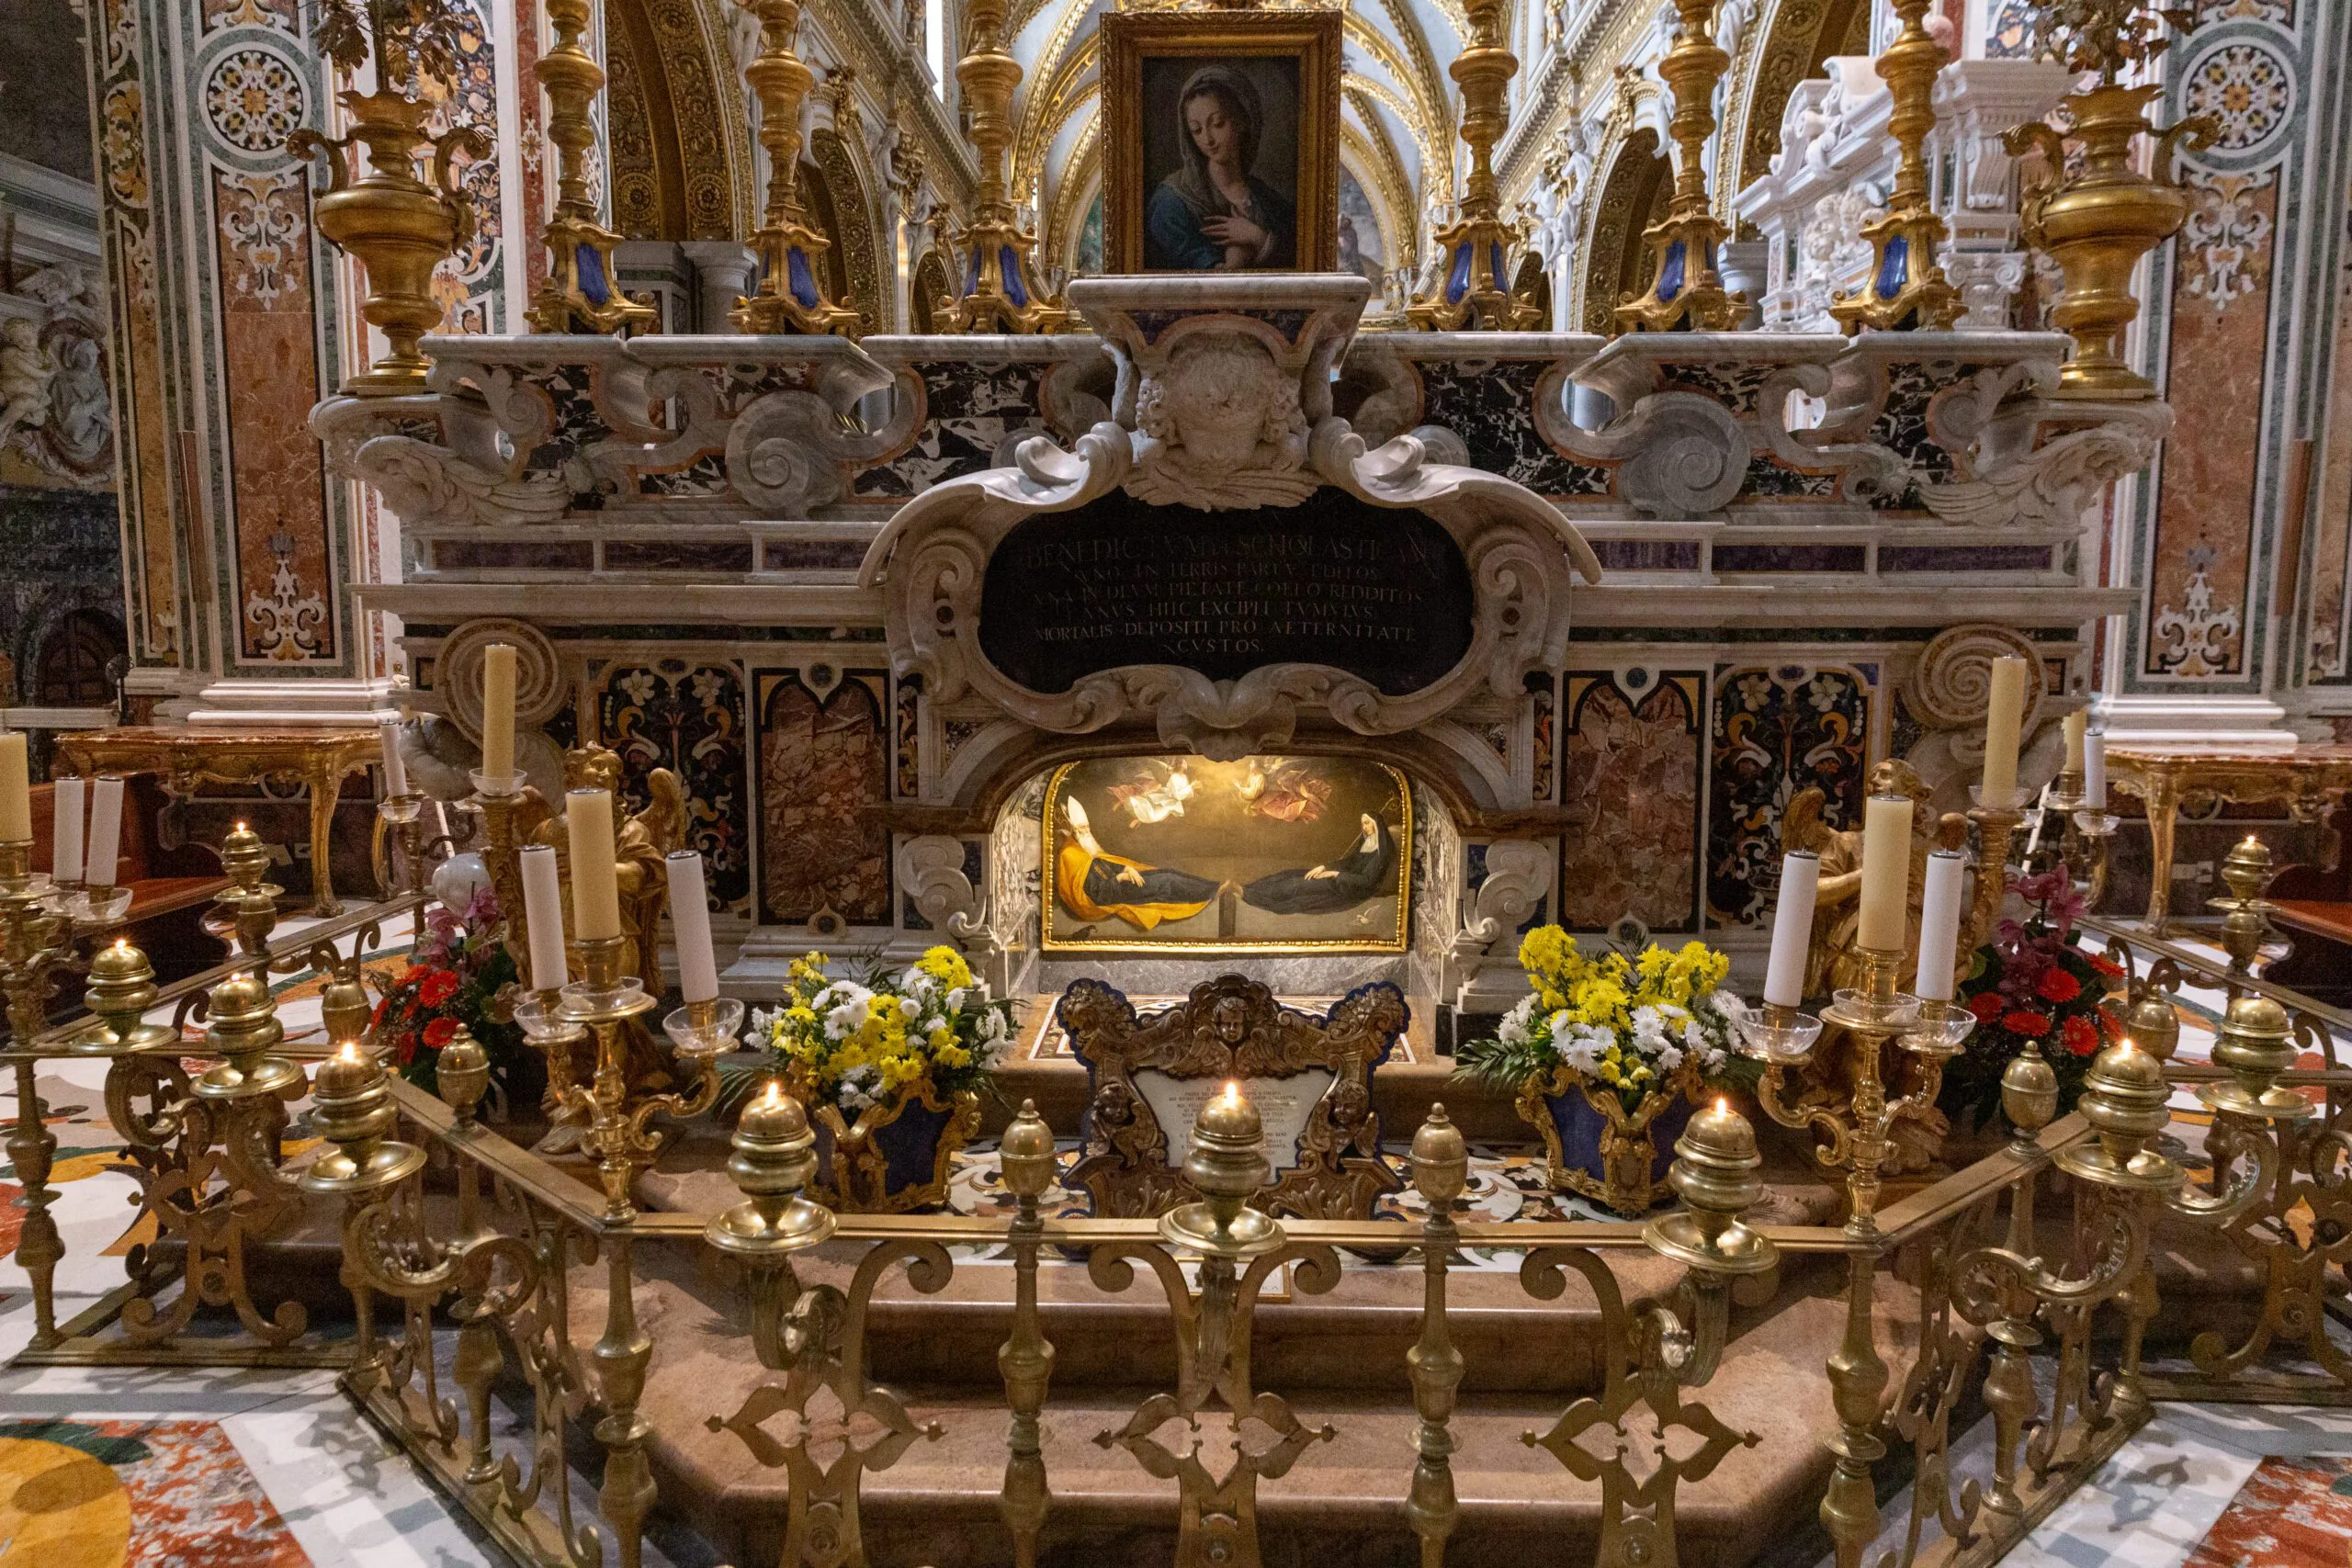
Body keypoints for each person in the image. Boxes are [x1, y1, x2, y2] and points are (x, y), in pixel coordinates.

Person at [1145, 66, 1297, 271]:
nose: (1207, 139)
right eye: (1196, 130)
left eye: (1217, 123)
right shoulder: (1170, 203)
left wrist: (1257, 237)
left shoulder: (1269, 201)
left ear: (1242, 120)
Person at [1055, 795, 1221, 931]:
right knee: (1167, 880)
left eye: (1087, 827)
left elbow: (1103, 863)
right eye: (1082, 829)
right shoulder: (1071, 854)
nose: (1087, 832)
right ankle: (1208, 893)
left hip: (1120, 882)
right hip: (1116, 892)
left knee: (1167, 871)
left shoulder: (1085, 847)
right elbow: (1094, 896)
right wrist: (1121, 878)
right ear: (1074, 831)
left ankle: (1211, 887)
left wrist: (1127, 869)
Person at [1240, 813, 1397, 916]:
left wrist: (1335, 874)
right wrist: (1325, 867)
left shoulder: (1382, 852)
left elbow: (1367, 881)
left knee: (1298, 885)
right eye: (1363, 823)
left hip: (1349, 890)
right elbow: (1348, 861)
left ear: (1377, 825)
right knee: (1293, 873)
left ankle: (1251, 896)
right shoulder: (1367, 841)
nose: (1364, 827)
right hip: (1340, 880)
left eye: (1367, 823)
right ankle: (1250, 888)